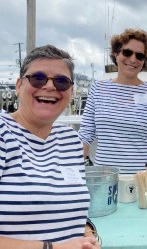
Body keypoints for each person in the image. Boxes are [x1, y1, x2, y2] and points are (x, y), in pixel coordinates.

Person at [0, 45, 100, 248]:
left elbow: (70, 208)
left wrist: (88, 233)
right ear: (18, 85)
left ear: (71, 91)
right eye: (38, 78)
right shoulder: (3, 133)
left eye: (61, 82)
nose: (49, 86)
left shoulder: (71, 140)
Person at [78, 28, 147, 188]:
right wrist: (73, 170)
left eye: (140, 55)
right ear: (116, 54)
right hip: (105, 178)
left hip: (142, 180)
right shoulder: (97, 88)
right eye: (127, 52)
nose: (133, 59)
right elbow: (86, 133)